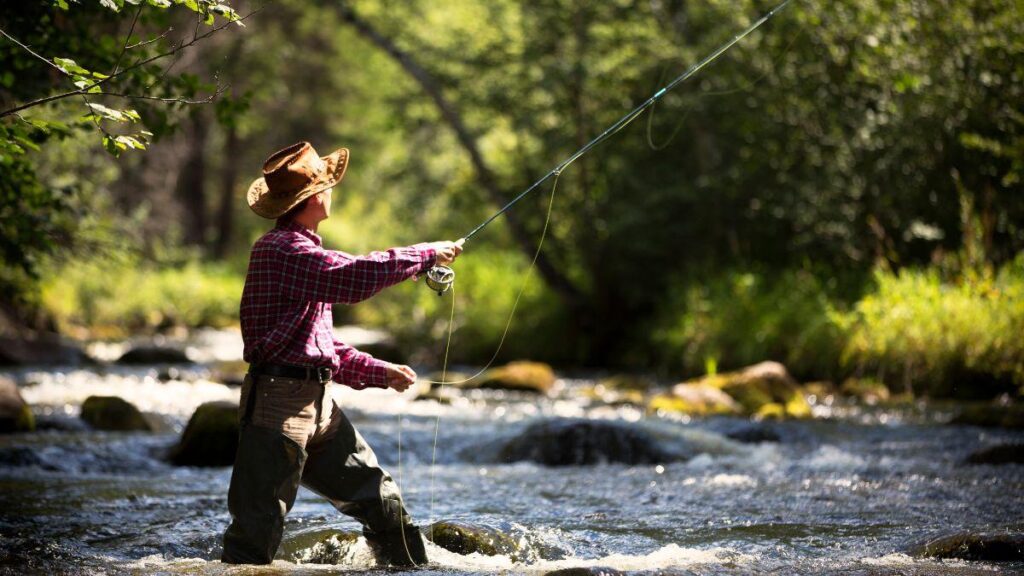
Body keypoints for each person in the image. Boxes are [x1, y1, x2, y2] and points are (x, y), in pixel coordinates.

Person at [221, 141, 462, 566]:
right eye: (329, 186)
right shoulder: (282, 251)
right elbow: (351, 278)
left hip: (322, 409)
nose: (333, 191)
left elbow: (320, 344)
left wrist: (378, 371)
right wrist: (425, 254)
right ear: (316, 198)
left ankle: (410, 571)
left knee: (381, 501)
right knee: (255, 538)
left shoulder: (304, 254)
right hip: (277, 409)